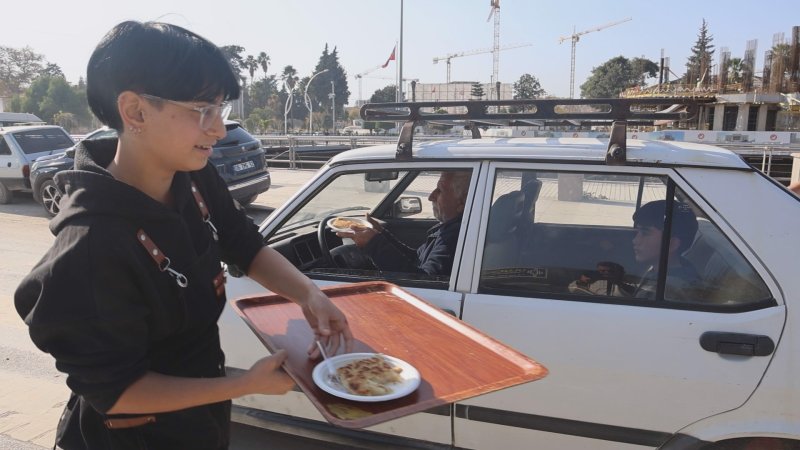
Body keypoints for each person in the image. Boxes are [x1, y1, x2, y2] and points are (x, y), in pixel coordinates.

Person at [13, 21, 353, 450]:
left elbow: (240, 240)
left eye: (221, 109)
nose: (219, 129)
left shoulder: (193, 179)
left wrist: (309, 294)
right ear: (135, 111)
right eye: (201, 111)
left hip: (201, 425)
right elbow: (116, 394)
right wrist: (245, 384)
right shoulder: (89, 249)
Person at [337, 171, 471, 276]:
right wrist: (380, 234)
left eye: (440, 190)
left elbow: (424, 281)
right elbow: (415, 259)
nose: (431, 196)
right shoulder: (451, 228)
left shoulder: (455, 236)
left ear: (462, 203)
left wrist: (373, 244)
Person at [627, 199, 701, 299]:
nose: (635, 240)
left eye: (645, 233)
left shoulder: (668, 291)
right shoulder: (669, 269)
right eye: (637, 232)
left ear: (672, 244)